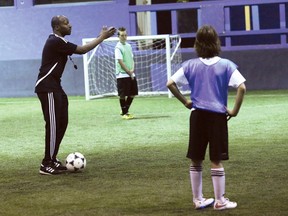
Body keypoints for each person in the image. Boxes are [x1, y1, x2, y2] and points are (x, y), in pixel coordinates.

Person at [167, 25, 246, 210]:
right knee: (216, 160)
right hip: (217, 117)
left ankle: (198, 200)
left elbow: (170, 83)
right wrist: (234, 111)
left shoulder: (190, 65)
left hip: (197, 116)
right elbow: (241, 87)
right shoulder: (226, 64)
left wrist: (186, 102)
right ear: (216, 42)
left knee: (196, 159)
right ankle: (220, 201)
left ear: (197, 44)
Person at [35, 15, 116, 175]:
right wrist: (102, 37)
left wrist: (100, 36)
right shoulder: (55, 41)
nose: (70, 26)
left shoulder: (60, 42)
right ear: (57, 27)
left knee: (62, 123)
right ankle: (46, 164)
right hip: (47, 87)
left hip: (56, 87)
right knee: (52, 125)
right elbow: (83, 50)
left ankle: (53, 159)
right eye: (66, 23)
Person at [115, 27, 138, 120]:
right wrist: (128, 72)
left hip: (130, 73)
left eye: (125, 35)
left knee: (133, 93)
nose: (124, 37)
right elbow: (120, 61)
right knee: (122, 95)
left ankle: (124, 110)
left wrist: (132, 70)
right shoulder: (118, 47)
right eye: (122, 35)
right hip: (122, 74)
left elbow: (132, 59)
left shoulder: (129, 46)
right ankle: (125, 113)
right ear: (118, 36)